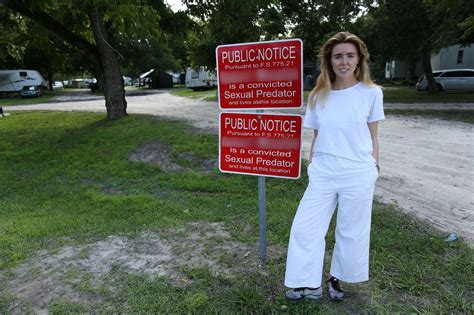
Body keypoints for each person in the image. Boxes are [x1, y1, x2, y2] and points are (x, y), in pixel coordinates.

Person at [284, 31, 384, 301]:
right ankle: (307, 282)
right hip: (324, 172)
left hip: (358, 172)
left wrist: (374, 168)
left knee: (351, 230)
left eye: (350, 55)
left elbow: (373, 135)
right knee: (305, 227)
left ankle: (336, 278)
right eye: (338, 56)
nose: (344, 61)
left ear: (359, 59)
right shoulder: (318, 96)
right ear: (329, 60)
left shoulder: (372, 93)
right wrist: (311, 162)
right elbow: (316, 135)